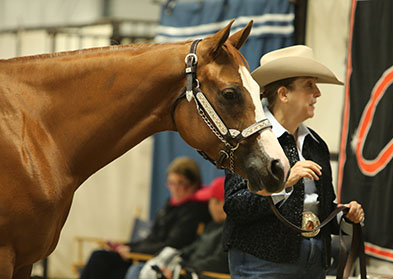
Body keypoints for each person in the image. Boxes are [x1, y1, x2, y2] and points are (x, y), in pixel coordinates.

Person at [223, 45, 365, 279]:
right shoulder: (249, 141)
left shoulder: (315, 144)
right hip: (262, 263)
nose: (317, 93)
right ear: (283, 94)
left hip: (314, 263)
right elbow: (236, 206)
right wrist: (283, 184)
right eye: (309, 85)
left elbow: (324, 206)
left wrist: (343, 216)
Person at [80, 156, 211, 279]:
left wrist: (132, 250)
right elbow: (152, 238)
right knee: (99, 256)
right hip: (144, 255)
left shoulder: (195, 210)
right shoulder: (170, 205)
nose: (175, 189)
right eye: (171, 183)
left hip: (162, 262)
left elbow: (172, 245)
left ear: (194, 184)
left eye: (181, 183)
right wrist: (124, 246)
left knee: (103, 265)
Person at [125, 176, 229, 279]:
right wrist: (176, 258)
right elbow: (193, 247)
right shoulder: (211, 226)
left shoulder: (229, 231)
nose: (209, 206)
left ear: (220, 204)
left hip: (198, 273)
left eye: (211, 201)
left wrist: (183, 268)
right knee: (137, 268)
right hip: (188, 270)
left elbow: (219, 262)